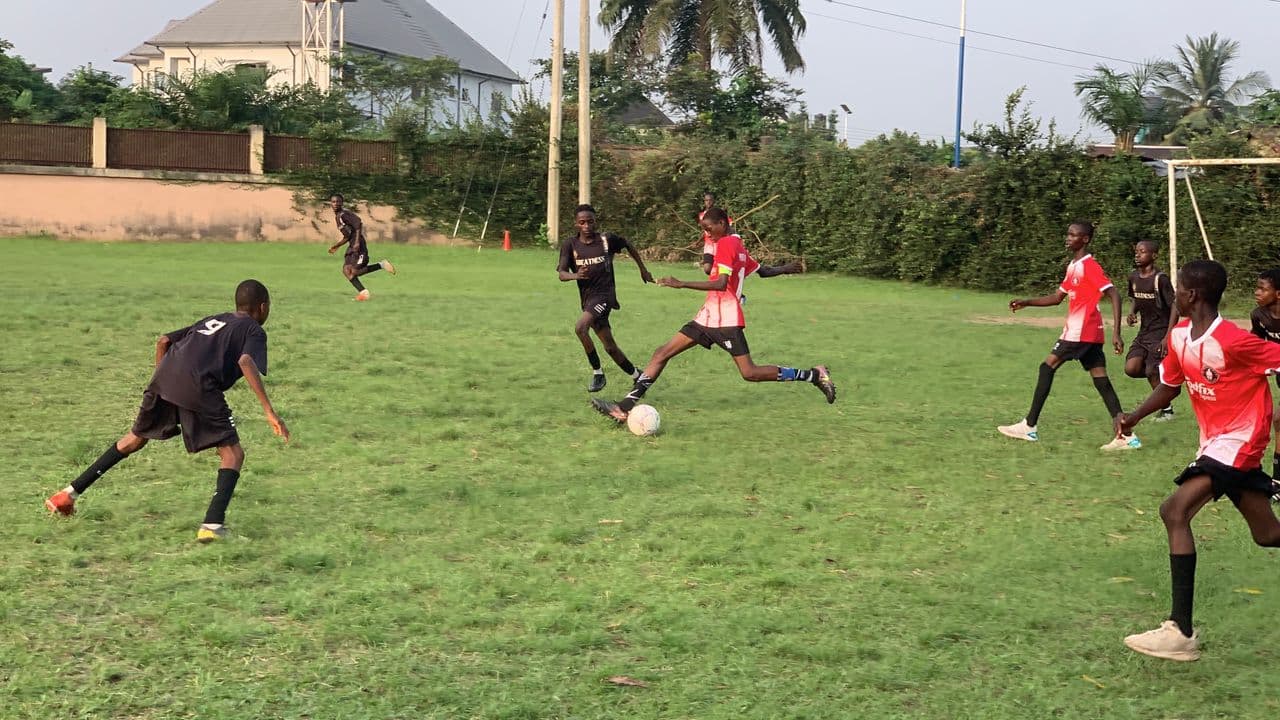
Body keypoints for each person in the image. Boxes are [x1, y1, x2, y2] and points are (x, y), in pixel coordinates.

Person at [1115, 259, 1280, 661]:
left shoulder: (1235, 340)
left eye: (1180, 290)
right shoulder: (1180, 338)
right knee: (1268, 535)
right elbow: (1170, 387)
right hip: (1213, 445)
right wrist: (1134, 415)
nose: (1176, 296)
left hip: (1240, 442)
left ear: (1192, 295)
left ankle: (1180, 632)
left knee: (1174, 510)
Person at [44, 280, 290, 543]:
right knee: (233, 453)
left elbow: (163, 341)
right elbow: (245, 361)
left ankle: (67, 495)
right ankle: (213, 525)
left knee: (133, 439)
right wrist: (269, 411)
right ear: (262, 307)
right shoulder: (253, 329)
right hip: (199, 385)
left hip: (164, 378)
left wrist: (162, 382)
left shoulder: (214, 319)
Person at [590, 207, 835, 423]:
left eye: (709, 228)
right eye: (704, 229)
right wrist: (787, 269)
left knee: (749, 372)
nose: (707, 233)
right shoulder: (739, 246)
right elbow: (763, 271)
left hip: (725, 319)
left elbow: (720, 284)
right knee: (661, 353)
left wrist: (680, 283)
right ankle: (623, 409)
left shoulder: (727, 245)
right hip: (708, 316)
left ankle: (814, 374)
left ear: (723, 223)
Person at [997, 221, 1139, 451]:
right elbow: (1056, 298)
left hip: (1079, 332)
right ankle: (1126, 436)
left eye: (1073, 235)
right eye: (1068, 233)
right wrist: (1027, 302)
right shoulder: (1074, 265)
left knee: (1047, 367)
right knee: (1101, 379)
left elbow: (1113, 293)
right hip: (1088, 333)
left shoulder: (1089, 266)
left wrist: (1117, 332)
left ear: (1085, 239)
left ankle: (1029, 426)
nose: (1068, 237)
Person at [557, 204, 654, 392]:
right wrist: (576, 275)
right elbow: (562, 273)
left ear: (595, 221)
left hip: (605, 296)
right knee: (610, 347)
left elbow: (627, 245)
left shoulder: (606, 240)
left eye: (590, 221)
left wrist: (643, 269)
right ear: (576, 224)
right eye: (582, 222)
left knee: (580, 328)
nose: (587, 226)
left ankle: (598, 374)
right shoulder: (570, 245)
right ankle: (638, 377)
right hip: (588, 300)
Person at [1123, 240, 1179, 421]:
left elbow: (1175, 307)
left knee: (1150, 372)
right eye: (1136, 251)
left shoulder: (1160, 279)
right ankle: (1165, 383)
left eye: (1143, 252)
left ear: (1153, 256)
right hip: (1144, 332)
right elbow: (1135, 299)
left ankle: (1167, 409)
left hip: (1160, 332)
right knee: (1131, 369)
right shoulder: (1133, 277)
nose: (1138, 255)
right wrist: (1132, 313)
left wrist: (1168, 336)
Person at [327, 193, 396, 301]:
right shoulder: (338, 217)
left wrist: (357, 242)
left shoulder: (344, 214)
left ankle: (381, 265)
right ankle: (364, 293)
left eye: (338, 201)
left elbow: (358, 223)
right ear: (330, 203)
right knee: (346, 270)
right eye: (333, 202)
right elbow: (347, 236)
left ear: (342, 203)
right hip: (351, 245)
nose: (336, 204)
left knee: (354, 271)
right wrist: (336, 246)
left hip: (358, 245)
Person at [1250, 267, 1280, 476]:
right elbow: (1255, 346)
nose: (1257, 292)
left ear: (1278, 294)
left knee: (1279, 420)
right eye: (1257, 288)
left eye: (1263, 289)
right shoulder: (1259, 315)